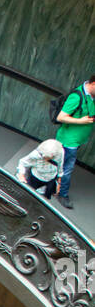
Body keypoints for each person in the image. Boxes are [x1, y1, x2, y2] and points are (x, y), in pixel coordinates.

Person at [55, 75, 95, 209]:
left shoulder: (91, 96)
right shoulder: (77, 96)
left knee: (61, 164)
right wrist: (80, 121)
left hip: (77, 139)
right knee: (67, 168)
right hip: (69, 141)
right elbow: (61, 117)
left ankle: (52, 185)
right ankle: (62, 194)